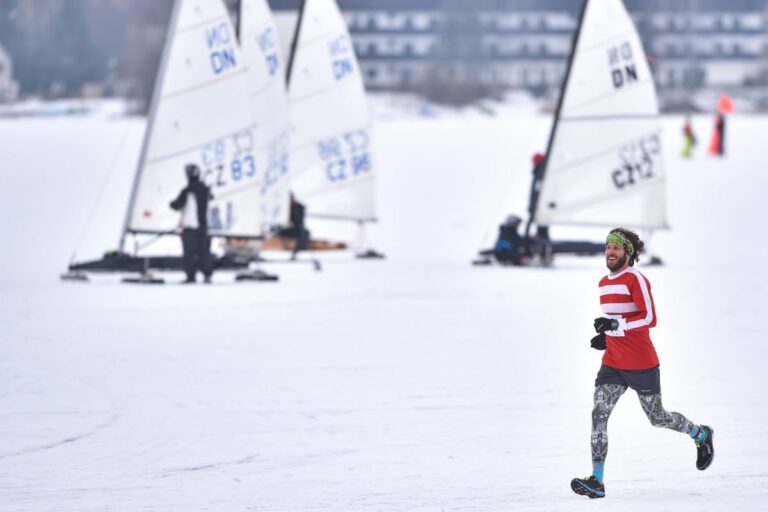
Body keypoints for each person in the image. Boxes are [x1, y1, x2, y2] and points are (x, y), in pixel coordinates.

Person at [571, 228, 714, 499]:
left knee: (657, 417)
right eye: (607, 247)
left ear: (629, 252)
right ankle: (597, 480)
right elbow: (619, 321)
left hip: (641, 363)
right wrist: (606, 335)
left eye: (616, 247)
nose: (610, 252)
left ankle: (700, 434)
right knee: (598, 415)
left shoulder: (635, 278)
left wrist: (615, 325)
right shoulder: (603, 282)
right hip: (612, 362)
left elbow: (649, 318)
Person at [170, 163, 214, 283]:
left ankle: (191, 276)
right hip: (204, 227)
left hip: (190, 227)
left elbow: (176, 205)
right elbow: (211, 198)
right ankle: (207, 275)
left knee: (189, 253)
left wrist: (171, 204)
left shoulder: (188, 190)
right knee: (204, 252)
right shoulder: (205, 190)